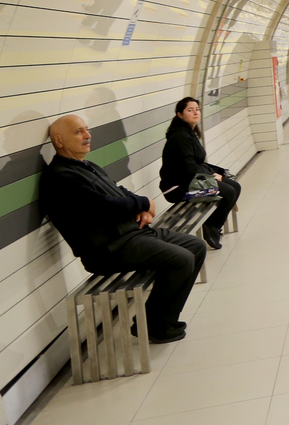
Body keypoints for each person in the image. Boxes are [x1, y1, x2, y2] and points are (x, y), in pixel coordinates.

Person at [40, 115, 205, 344]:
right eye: (79, 132)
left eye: (87, 130)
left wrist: (142, 205)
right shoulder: (61, 176)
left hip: (132, 234)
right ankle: (153, 326)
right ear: (58, 140)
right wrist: (144, 204)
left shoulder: (86, 166)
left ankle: (160, 319)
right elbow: (102, 206)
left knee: (196, 246)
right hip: (109, 249)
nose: (88, 136)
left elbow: (119, 191)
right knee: (181, 259)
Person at [159, 97, 240, 249]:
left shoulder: (189, 133)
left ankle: (213, 225)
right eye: (190, 110)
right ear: (180, 115)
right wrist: (211, 177)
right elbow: (189, 168)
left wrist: (218, 173)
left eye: (197, 109)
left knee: (235, 186)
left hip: (189, 181)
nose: (195, 112)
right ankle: (212, 226)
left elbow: (198, 164)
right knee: (228, 192)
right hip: (178, 188)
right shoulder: (180, 137)